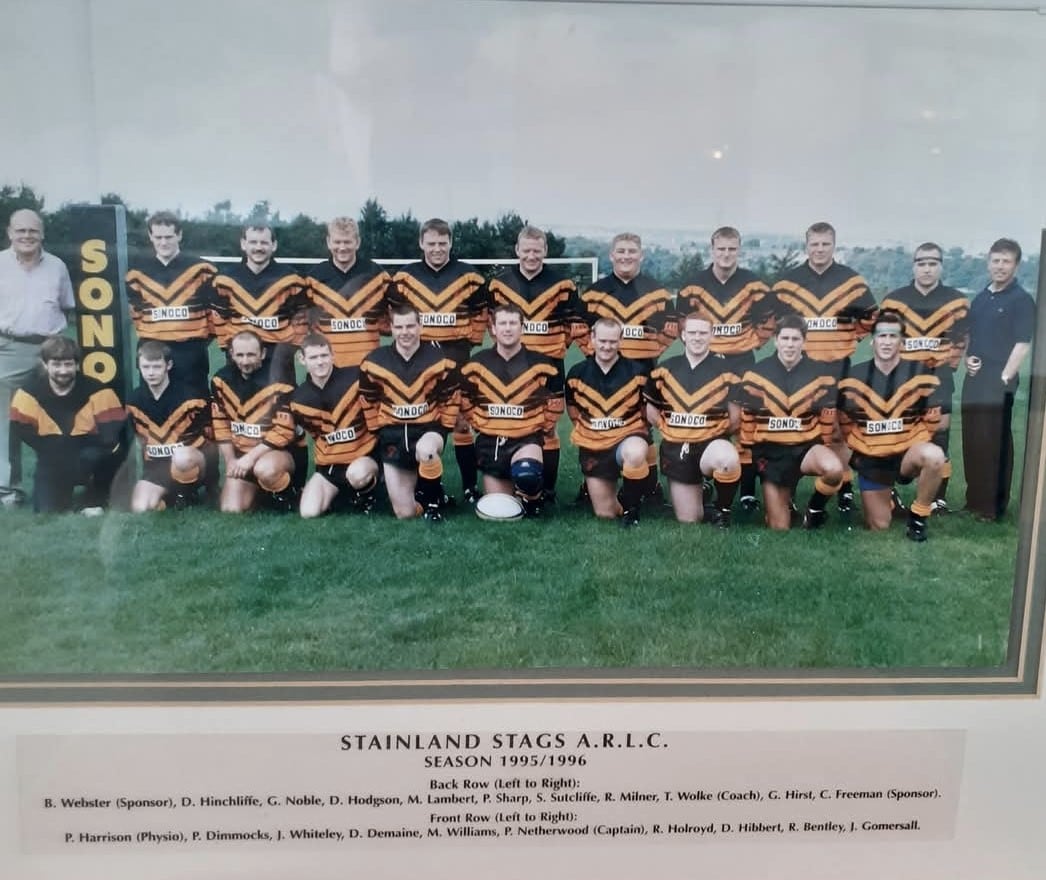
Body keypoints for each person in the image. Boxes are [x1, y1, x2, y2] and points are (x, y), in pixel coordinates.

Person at [770, 222, 878, 513]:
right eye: (814, 244)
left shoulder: (851, 281)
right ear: (806, 246)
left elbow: (870, 319)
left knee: (838, 430)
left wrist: (847, 339)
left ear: (834, 245)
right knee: (794, 428)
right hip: (798, 368)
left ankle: (844, 487)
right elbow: (775, 322)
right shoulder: (788, 283)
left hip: (837, 366)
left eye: (825, 244)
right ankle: (788, 488)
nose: (819, 249)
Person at [387, 218, 485, 503]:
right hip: (419, 365)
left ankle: (469, 487)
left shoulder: (470, 276)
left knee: (462, 423)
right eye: (431, 243)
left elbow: (480, 316)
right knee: (423, 421)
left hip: (457, 361)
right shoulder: (404, 278)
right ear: (421, 243)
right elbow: (395, 317)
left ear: (451, 243)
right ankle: (427, 488)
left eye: (443, 243)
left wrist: (467, 342)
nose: (437, 249)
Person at [675, 226, 772, 512]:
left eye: (732, 249)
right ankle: (705, 477)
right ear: (712, 250)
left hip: (742, 362)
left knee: (745, 423)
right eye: (721, 249)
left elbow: (768, 322)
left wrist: (750, 342)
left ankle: (746, 492)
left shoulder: (755, 285)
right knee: (706, 417)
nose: (726, 254)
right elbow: (682, 324)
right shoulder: (693, 286)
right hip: (707, 361)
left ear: (739, 250)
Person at [577, 232, 677, 503]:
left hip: (644, 370)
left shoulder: (657, 292)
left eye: (632, 251)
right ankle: (591, 481)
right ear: (611, 255)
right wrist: (598, 356)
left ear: (641, 255)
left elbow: (669, 332)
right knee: (600, 422)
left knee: (643, 424)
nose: (626, 256)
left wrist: (648, 354)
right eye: (621, 251)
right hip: (603, 372)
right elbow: (581, 330)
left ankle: (650, 486)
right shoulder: (595, 292)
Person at [485, 225, 581, 502]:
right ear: (517, 250)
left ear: (545, 251)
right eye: (526, 250)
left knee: (548, 427)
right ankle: (517, 478)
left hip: (550, 368)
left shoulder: (563, 286)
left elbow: (574, 326)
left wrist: (554, 349)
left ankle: (546, 490)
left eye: (536, 251)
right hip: (510, 370)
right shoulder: (499, 284)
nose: (531, 256)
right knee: (513, 421)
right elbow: (492, 323)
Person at [837, 310, 946, 541]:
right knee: (879, 525)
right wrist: (865, 446)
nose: (887, 342)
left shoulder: (921, 374)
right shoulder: (852, 378)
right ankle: (890, 499)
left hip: (907, 454)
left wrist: (908, 440)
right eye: (882, 336)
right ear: (872, 341)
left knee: (935, 456)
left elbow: (933, 421)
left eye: (893, 336)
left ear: (902, 342)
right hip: (873, 458)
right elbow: (845, 423)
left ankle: (918, 517)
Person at [879, 242, 969, 512]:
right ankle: (889, 492)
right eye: (922, 263)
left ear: (941, 266)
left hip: (939, 379)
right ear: (914, 266)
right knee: (894, 434)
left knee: (939, 435)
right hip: (901, 380)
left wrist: (945, 367)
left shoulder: (956, 301)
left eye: (932, 263)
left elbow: (961, 340)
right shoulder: (894, 300)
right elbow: (885, 340)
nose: (927, 269)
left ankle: (937, 498)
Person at [735, 314, 843, 530]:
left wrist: (825, 446)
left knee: (833, 469)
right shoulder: (755, 375)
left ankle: (815, 510)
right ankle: (785, 504)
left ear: (804, 341)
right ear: (776, 340)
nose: (790, 344)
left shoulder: (822, 376)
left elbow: (826, 418)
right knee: (779, 527)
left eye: (795, 339)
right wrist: (748, 457)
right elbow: (748, 420)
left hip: (805, 449)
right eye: (785, 338)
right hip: (771, 453)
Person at [458, 303, 562, 517]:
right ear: (493, 328)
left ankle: (533, 497)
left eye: (513, 323)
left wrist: (540, 426)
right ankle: (519, 492)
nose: (508, 328)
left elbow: (554, 404)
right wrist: (479, 422)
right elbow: (465, 402)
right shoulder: (476, 364)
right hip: (490, 444)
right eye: (503, 323)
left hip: (526, 440)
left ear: (522, 328)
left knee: (527, 475)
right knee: (500, 509)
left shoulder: (542, 364)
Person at [1, 209, 75, 506]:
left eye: (33, 230)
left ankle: (62, 483)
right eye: (21, 230)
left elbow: (67, 306)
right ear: (10, 233)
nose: (27, 236)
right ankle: (8, 490)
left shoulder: (57, 266)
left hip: (51, 349)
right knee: (6, 421)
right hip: (10, 348)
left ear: (42, 234)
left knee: (61, 415)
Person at [359, 303, 459, 522]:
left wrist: (444, 429)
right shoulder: (373, 361)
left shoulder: (440, 360)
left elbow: (451, 398)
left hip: (427, 430)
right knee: (404, 514)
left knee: (427, 450)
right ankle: (427, 494)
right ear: (391, 328)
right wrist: (377, 430)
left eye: (410, 326)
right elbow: (368, 399)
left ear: (420, 326)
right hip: (393, 436)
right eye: (399, 327)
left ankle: (433, 505)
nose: (405, 332)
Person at [262, 333, 379, 519]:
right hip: (329, 467)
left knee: (358, 474)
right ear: (302, 360)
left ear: (333, 355)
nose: (320, 362)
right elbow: (290, 434)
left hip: (363, 459)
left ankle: (370, 495)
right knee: (309, 512)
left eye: (324, 356)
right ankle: (342, 495)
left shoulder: (356, 379)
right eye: (313, 357)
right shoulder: (298, 399)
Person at [961, 238, 1035, 522]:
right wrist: (968, 359)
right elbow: (971, 335)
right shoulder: (981, 297)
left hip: (1000, 378)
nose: (1000, 266)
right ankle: (974, 500)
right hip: (975, 377)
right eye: (996, 261)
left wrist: (1005, 376)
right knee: (973, 439)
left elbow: (1022, 343)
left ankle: (993, 507)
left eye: (1006, 261)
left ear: (1016, 266)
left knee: (994, 441)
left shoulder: (1021, 300)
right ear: (988, 263)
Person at [644, 312, 742, 526]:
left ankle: (722, 510)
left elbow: (735, 419)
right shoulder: (664, 369)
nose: (697, 337)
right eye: (693, 332)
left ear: (711, 335)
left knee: (727, 459)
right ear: (683, 335)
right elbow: (651, 410)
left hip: (710, 445)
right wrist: (670, 429)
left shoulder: (727, 372)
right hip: (676, 447)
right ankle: (702, 491)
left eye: (703, 333)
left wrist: (713, 435)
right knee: (689, 519)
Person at [8, 335, 124, 513]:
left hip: (90, 455)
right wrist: (52, 450)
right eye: (56, 364)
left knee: (100, 459)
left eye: (68, 364)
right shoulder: (28, 394)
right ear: (45, 364)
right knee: (46, 510)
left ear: (77, 365)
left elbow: (111, 432)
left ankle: (97, 492)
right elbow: (21, 428)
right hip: (52, 457)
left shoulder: (99, 391)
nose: (63, 371)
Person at [565, 318, 652, 527]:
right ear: (592, 339)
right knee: (606, 514)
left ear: (620, 341)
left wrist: (633, 432)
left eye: (613, 341)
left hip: (627, 437)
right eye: (602, 341)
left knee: (635, 452)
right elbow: (573, 409)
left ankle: (632, 510)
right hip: (594, 444)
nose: (607, 346)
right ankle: (620, 499)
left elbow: (646, 414)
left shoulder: (638, 372)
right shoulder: (577, 373)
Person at [124, 211, 218, 395]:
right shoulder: (136, 273)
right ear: (150, 236)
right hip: (152, 351)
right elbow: (137, 315)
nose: (163, 243)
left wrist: (195, 342)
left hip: (190, 353)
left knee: (195, 404)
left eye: (168, 237)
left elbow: (214, 315)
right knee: (154, 404)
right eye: (158, 237)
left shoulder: (202, 270)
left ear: (179, 235)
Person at [209, 330, 299, 513]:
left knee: (265, 469)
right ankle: (259, 493)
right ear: (231, 354)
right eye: (240, 355)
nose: (245, 361)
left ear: (263, 354)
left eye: (251, 355)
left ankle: (287, 493)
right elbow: (220, 424)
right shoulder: (220, 380)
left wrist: (249, 459)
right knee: (231, 509)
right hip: (242, 455)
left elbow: (284, 432)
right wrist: (231, 461)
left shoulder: (280, 381)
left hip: (276, 453)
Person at [210, 223, 307, 384]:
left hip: (277, 356)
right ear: (243, 244)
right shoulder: (225, 279)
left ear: (274, 245)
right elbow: (219, 316)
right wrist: (228, 347)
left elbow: (301, 317)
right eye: (253, 242)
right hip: (241, 356)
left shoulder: (292, 279)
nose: (258, 247)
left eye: (264, 242)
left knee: (281, 399)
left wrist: (291, 349)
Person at [125, 340, 211, 512]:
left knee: (182, 457)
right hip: (157, 466)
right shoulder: (134, 401)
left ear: (168, 365)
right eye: (146, 367)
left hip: (189, 462)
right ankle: (171, 498)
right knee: (140, 507)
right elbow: (140, 440)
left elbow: (210, 440)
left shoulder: (191, 398)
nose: (151, 373)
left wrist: (210, 477)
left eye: (156, 367)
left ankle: (187, 493)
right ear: (139, 367)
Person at [301, 216, 393, 368]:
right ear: (328, 242)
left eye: (347, 242)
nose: (342, 247)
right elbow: (304, 323)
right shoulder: (313, 279)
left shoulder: (377, 275)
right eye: (337, 242)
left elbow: (393, 319)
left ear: (357, 242)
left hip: (368, 367)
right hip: (328, 369)